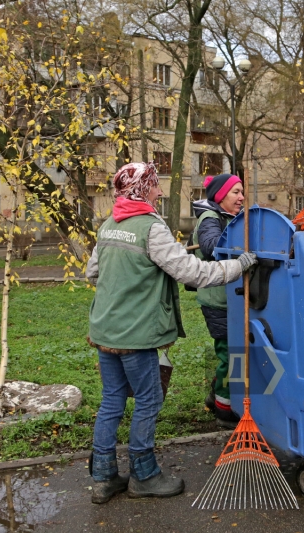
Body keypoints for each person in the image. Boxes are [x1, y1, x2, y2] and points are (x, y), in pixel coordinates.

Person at [84, 162, 257, 504]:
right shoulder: (151, 227)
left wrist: (127, 284)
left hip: (105, 329)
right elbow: (191, 273)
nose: (159, 191)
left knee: (112, 401)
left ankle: (104, 478)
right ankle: (144, 475)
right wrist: (240, 265)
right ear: (141, 188)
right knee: (148, 399)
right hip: (136, 335)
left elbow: (93, 273)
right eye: (153, 185)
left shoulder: (108, 225)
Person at [191, 173, 245, 429]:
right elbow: (212, 246)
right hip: (218, 301)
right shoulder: (210, 218)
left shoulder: (230, 218)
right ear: (221, 196)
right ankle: (225, 411)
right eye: (235, 192)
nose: (241, 197)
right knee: (229, 354)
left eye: (242, 191)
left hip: (232, 299)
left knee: (236, 352)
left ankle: (216, 395)